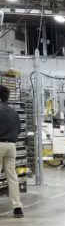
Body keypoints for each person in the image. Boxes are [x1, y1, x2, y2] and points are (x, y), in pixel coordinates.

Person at [0, 84, 23, 218]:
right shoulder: (14, 112)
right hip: (11, 146)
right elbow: (19, 130)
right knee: (12, 177)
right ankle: (17, 208)